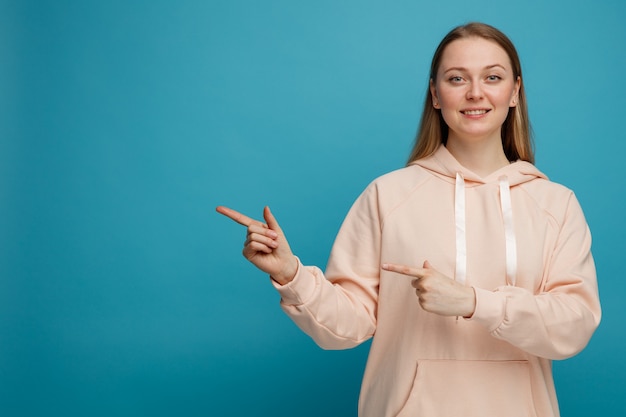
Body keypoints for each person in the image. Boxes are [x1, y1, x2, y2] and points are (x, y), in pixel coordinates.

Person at [216, 22, 601, 417]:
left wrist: (474, 302)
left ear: (514, 92)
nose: (475, 92)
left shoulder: (556, 204)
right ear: (435, 94)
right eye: (456, 78)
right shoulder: (388, 195)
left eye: (492, 77)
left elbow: (575, 324)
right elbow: (347, 327)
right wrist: (291, 274)